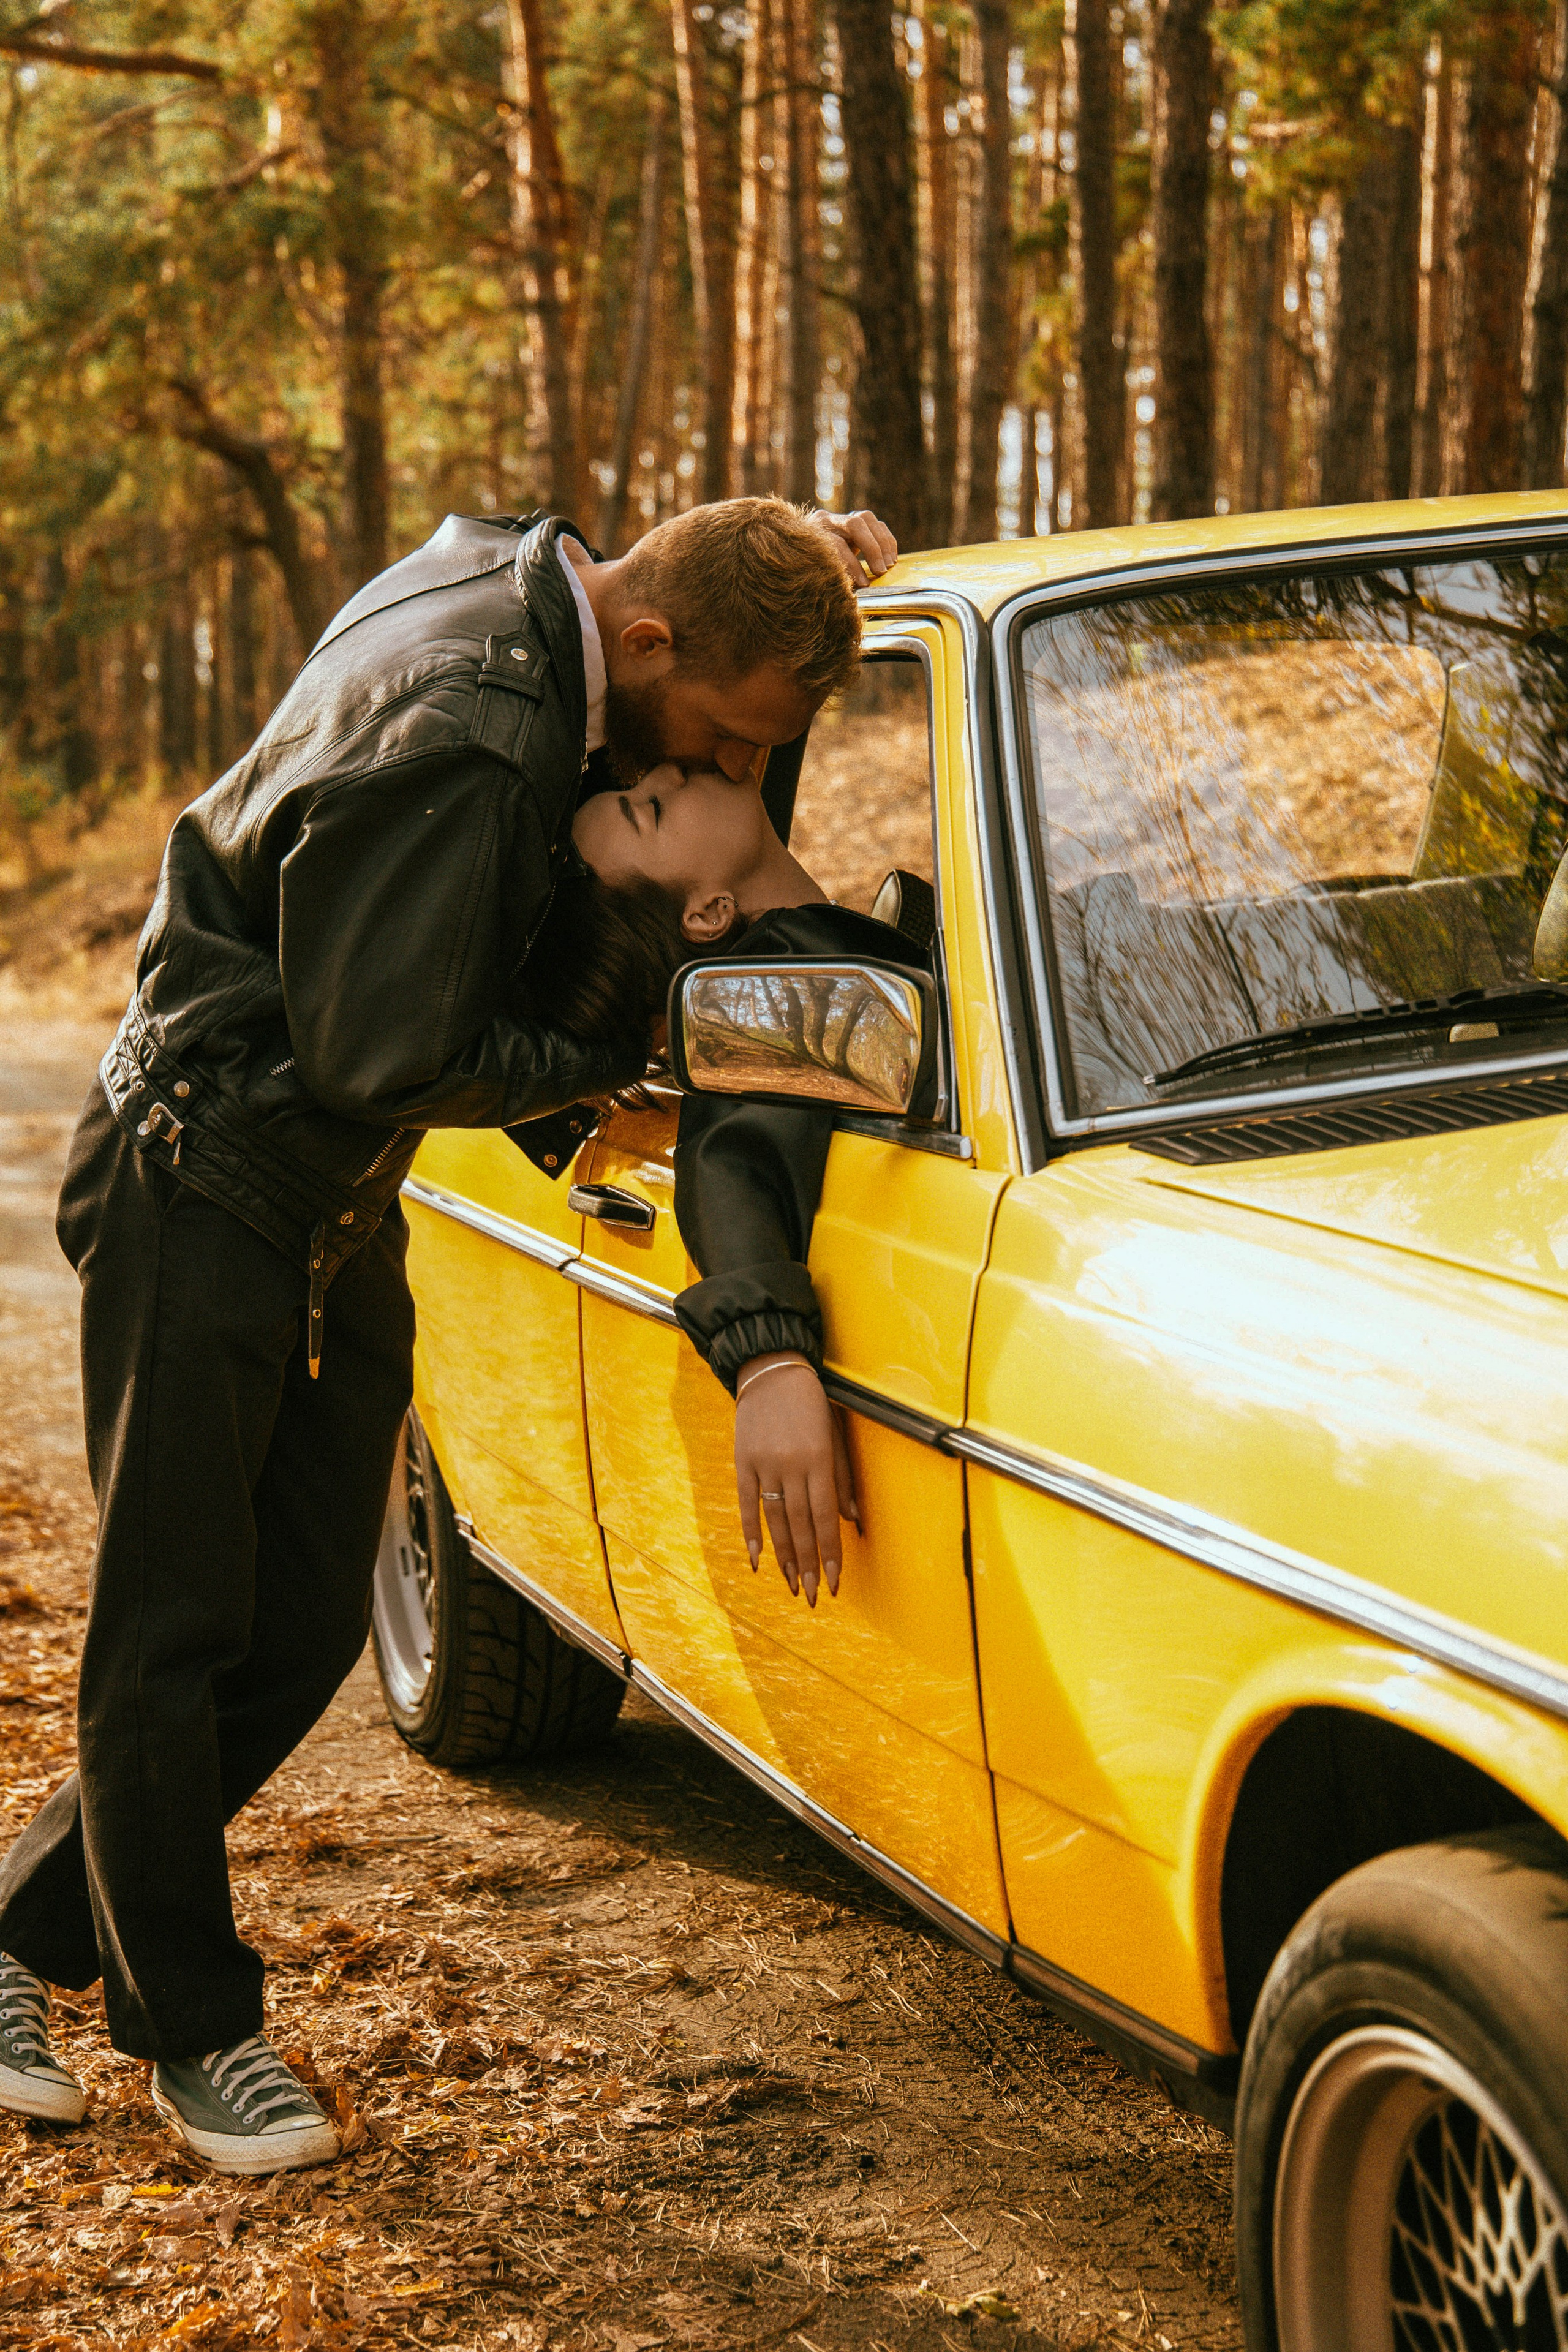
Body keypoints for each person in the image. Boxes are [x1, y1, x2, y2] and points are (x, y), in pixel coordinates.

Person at [0, 496, 895, 2173]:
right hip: (214, 1174)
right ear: (642, 649)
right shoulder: (477, 736)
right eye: (717, 740)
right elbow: (379, 1053)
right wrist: (601, 1061)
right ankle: (195, 2036)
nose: (729, 778)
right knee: (178, 1622)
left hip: (316, 1196)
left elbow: (710, 602)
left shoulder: (538, 577)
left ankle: (20, 1932)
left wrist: (807, 555)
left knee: (298, 1626)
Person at [532, 756, 929, 1609]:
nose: (671, 770)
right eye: (651, 809)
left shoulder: (811, 950)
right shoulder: (770, 995)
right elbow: (732, 1147)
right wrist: (767, 1360)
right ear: (709, 913)